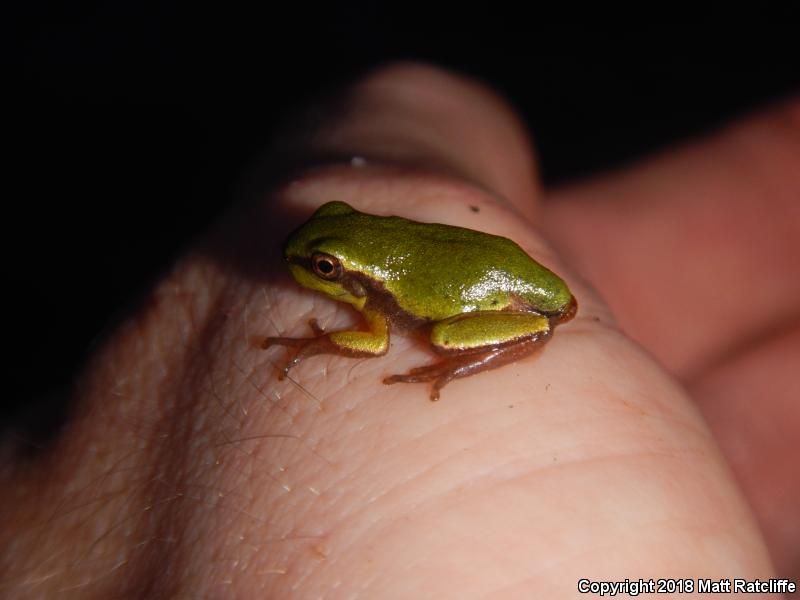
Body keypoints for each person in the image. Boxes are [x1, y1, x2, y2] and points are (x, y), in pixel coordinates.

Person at [1, 63, 797, 597]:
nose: (308, 271)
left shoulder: (372, 303)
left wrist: (322, 339)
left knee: (443, 339)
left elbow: (375, 337)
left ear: (352, 277)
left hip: (499, 294)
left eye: (327, 269)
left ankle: (473, 355)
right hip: (490, 261)